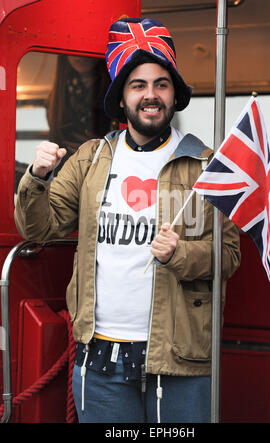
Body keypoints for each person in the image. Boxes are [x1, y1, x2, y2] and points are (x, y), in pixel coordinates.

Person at [14, 17, 241, 423]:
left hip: (179, 360)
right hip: (100, 359)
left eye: (161, 84)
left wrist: (180, 254)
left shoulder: (208, 166)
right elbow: (38, 228)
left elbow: (229, 257)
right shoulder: (90, 158)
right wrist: (36, 178)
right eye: (138, 85)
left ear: (174, 96)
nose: (150, 95)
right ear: (121, 98)